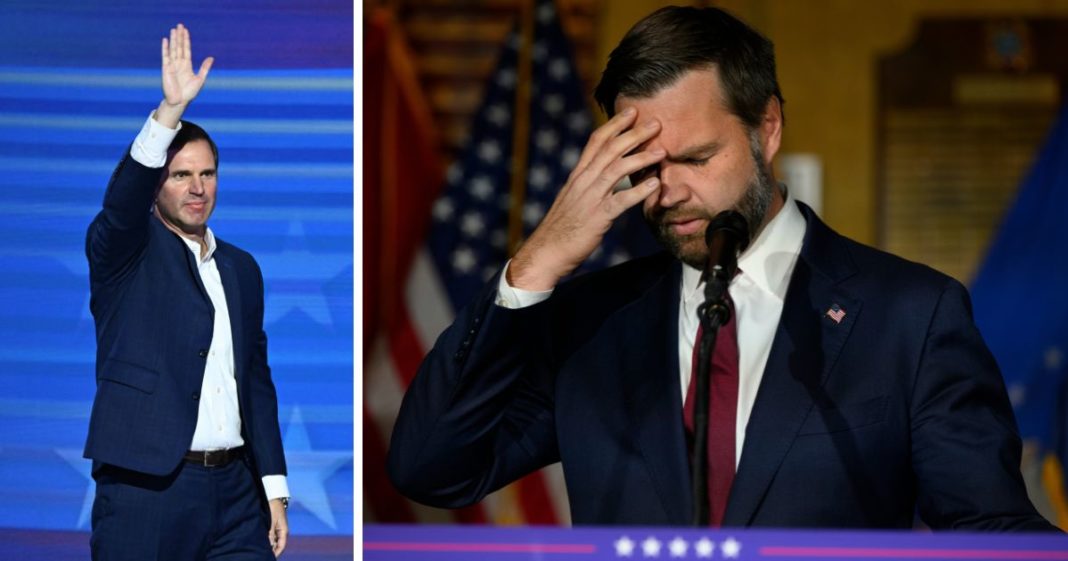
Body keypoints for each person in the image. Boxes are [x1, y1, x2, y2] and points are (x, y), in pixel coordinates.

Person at [388, 6, 1058, 530]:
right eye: (645, 167)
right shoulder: (591, 323)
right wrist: (537, 263)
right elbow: (431, 466)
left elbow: (988, 524)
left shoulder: (910, 314)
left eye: (697, 159)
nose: (669, 191)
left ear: (767, 130)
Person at [84, 24, 291, 559]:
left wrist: (273, 487)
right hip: (147, 491)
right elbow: (120, 205)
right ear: (157, 183)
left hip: (238, 498)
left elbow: (254, 380)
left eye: (207, 174)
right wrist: (168, 113)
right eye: (180, 175)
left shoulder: (242, 268)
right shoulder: (125, 251)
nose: (197, 188)